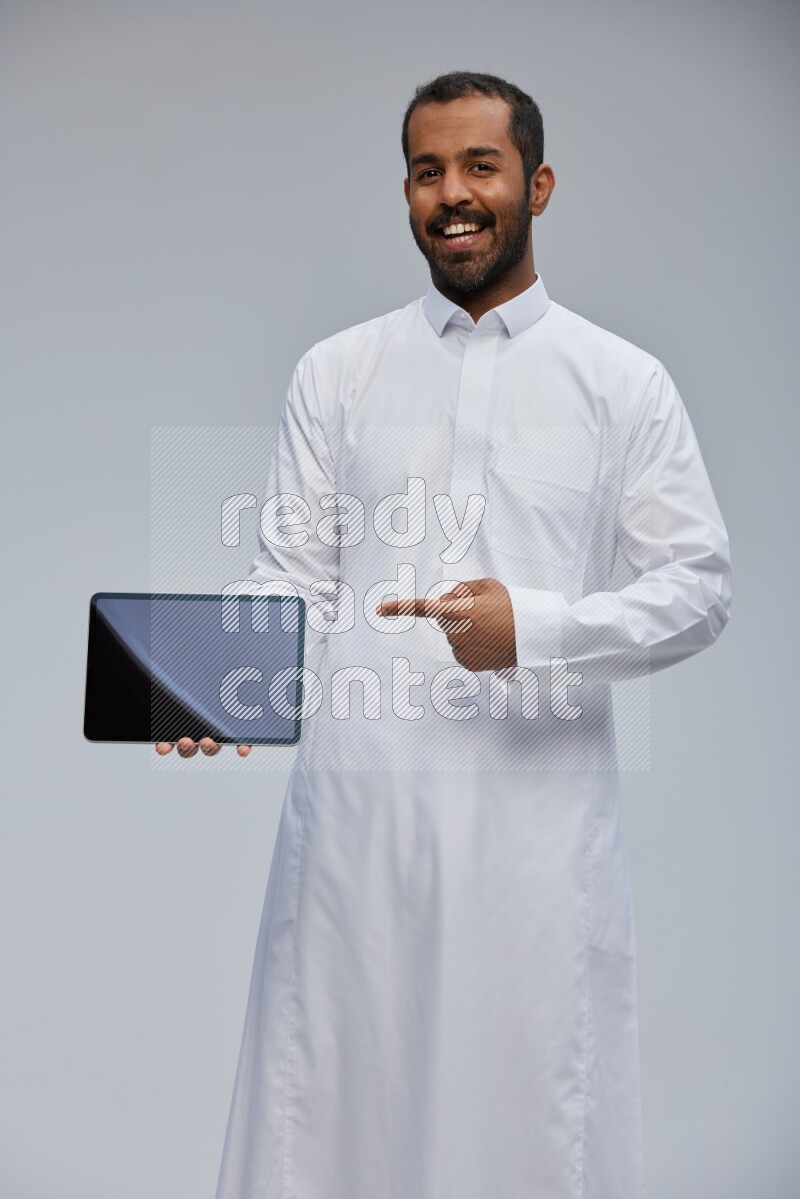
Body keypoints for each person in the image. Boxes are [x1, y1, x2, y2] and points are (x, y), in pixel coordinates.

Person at [158, 71, 732, 1198]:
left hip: (533, 834)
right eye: (428, 171)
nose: (452, 195)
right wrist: (218, 680)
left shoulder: (620, 383)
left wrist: (539, 627)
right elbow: (292, 579)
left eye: (479, 165)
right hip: (355, 830)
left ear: (537, 183)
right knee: (330, 1114)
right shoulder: (338, 372)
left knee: (524, 1120)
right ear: (406, 192)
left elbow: (700, 586)